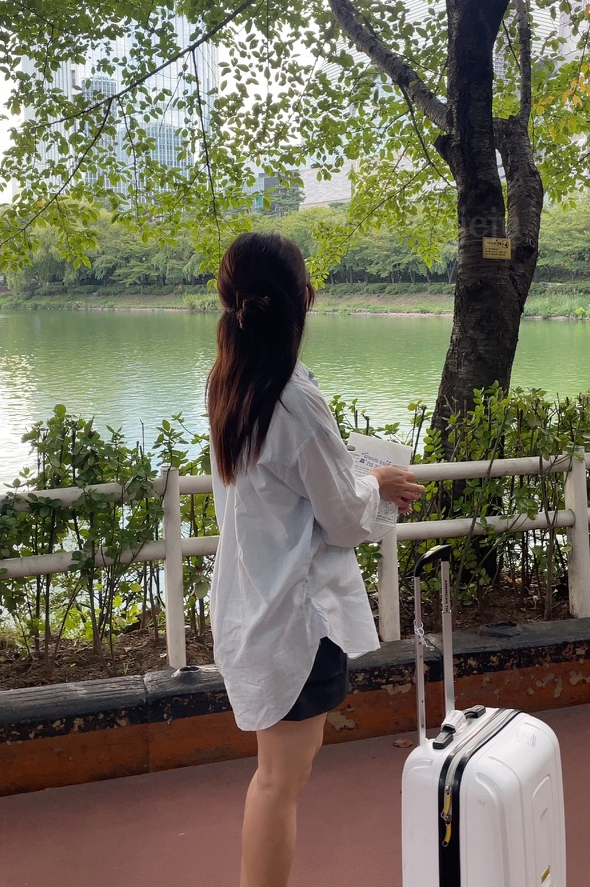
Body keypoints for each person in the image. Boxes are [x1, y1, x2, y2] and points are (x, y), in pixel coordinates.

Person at [207, 232, 423, 887]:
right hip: (295, 616)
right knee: (280, 781)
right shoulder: (293, 398)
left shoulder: (228, 376)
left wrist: (356, 481)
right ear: (305, 299)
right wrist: (377, 482)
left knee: (277, 776)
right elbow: (345, 517)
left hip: (255, 599)